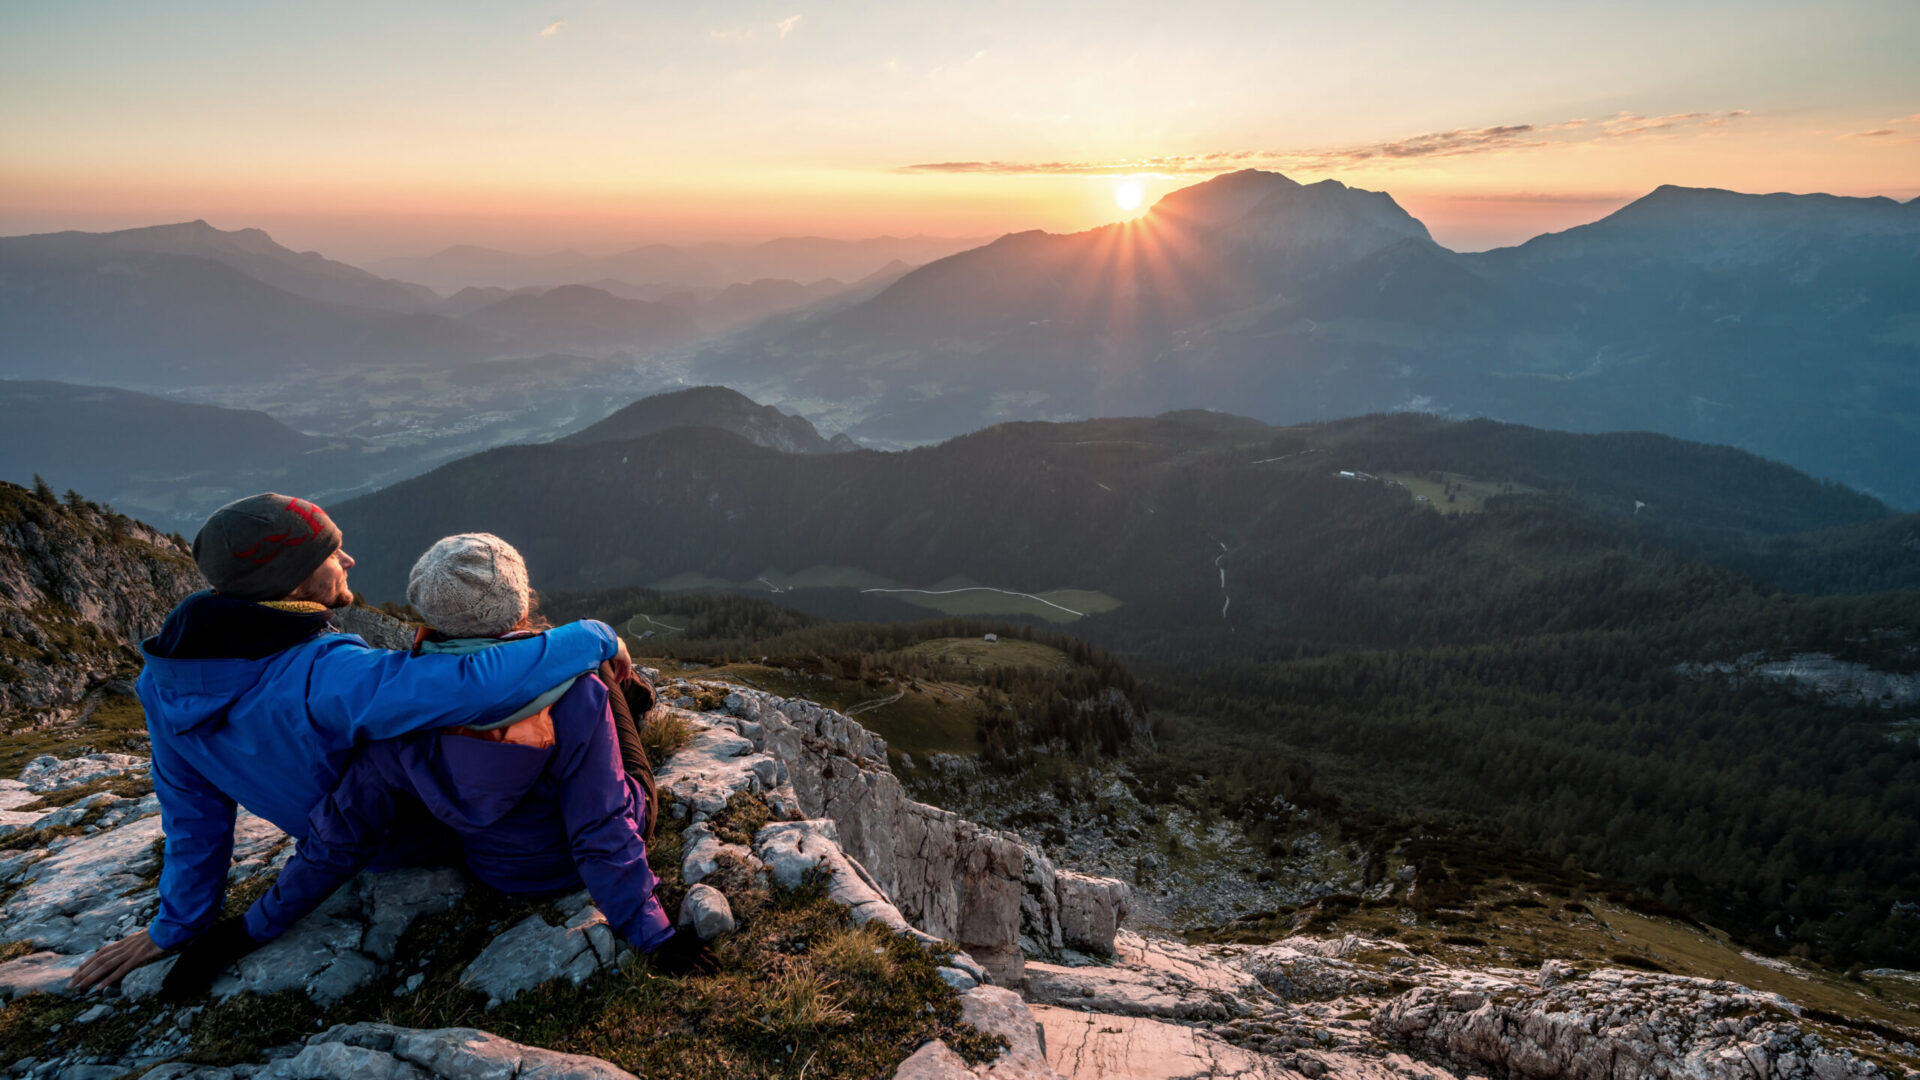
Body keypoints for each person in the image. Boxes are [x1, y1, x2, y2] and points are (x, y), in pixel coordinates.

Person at [71, 497, 626, 992]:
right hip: (409, 832)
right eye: (332, 553)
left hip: (340, 836)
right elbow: (473, 683)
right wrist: (593, 634)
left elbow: (193, 816)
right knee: (589, 688)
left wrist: (177, 925)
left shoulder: (166, 682)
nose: (348, 560)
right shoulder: (327, 675)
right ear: (292, 583)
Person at [156, 533, 709, 998]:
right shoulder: (575, 698)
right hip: (566, 865)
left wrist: (247, 932)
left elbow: (336, 839)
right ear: (518, 602)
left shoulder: (397, 712)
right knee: (600, 679)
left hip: (493, 868)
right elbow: (601, 827)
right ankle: (633, 701)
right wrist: (654, 937)